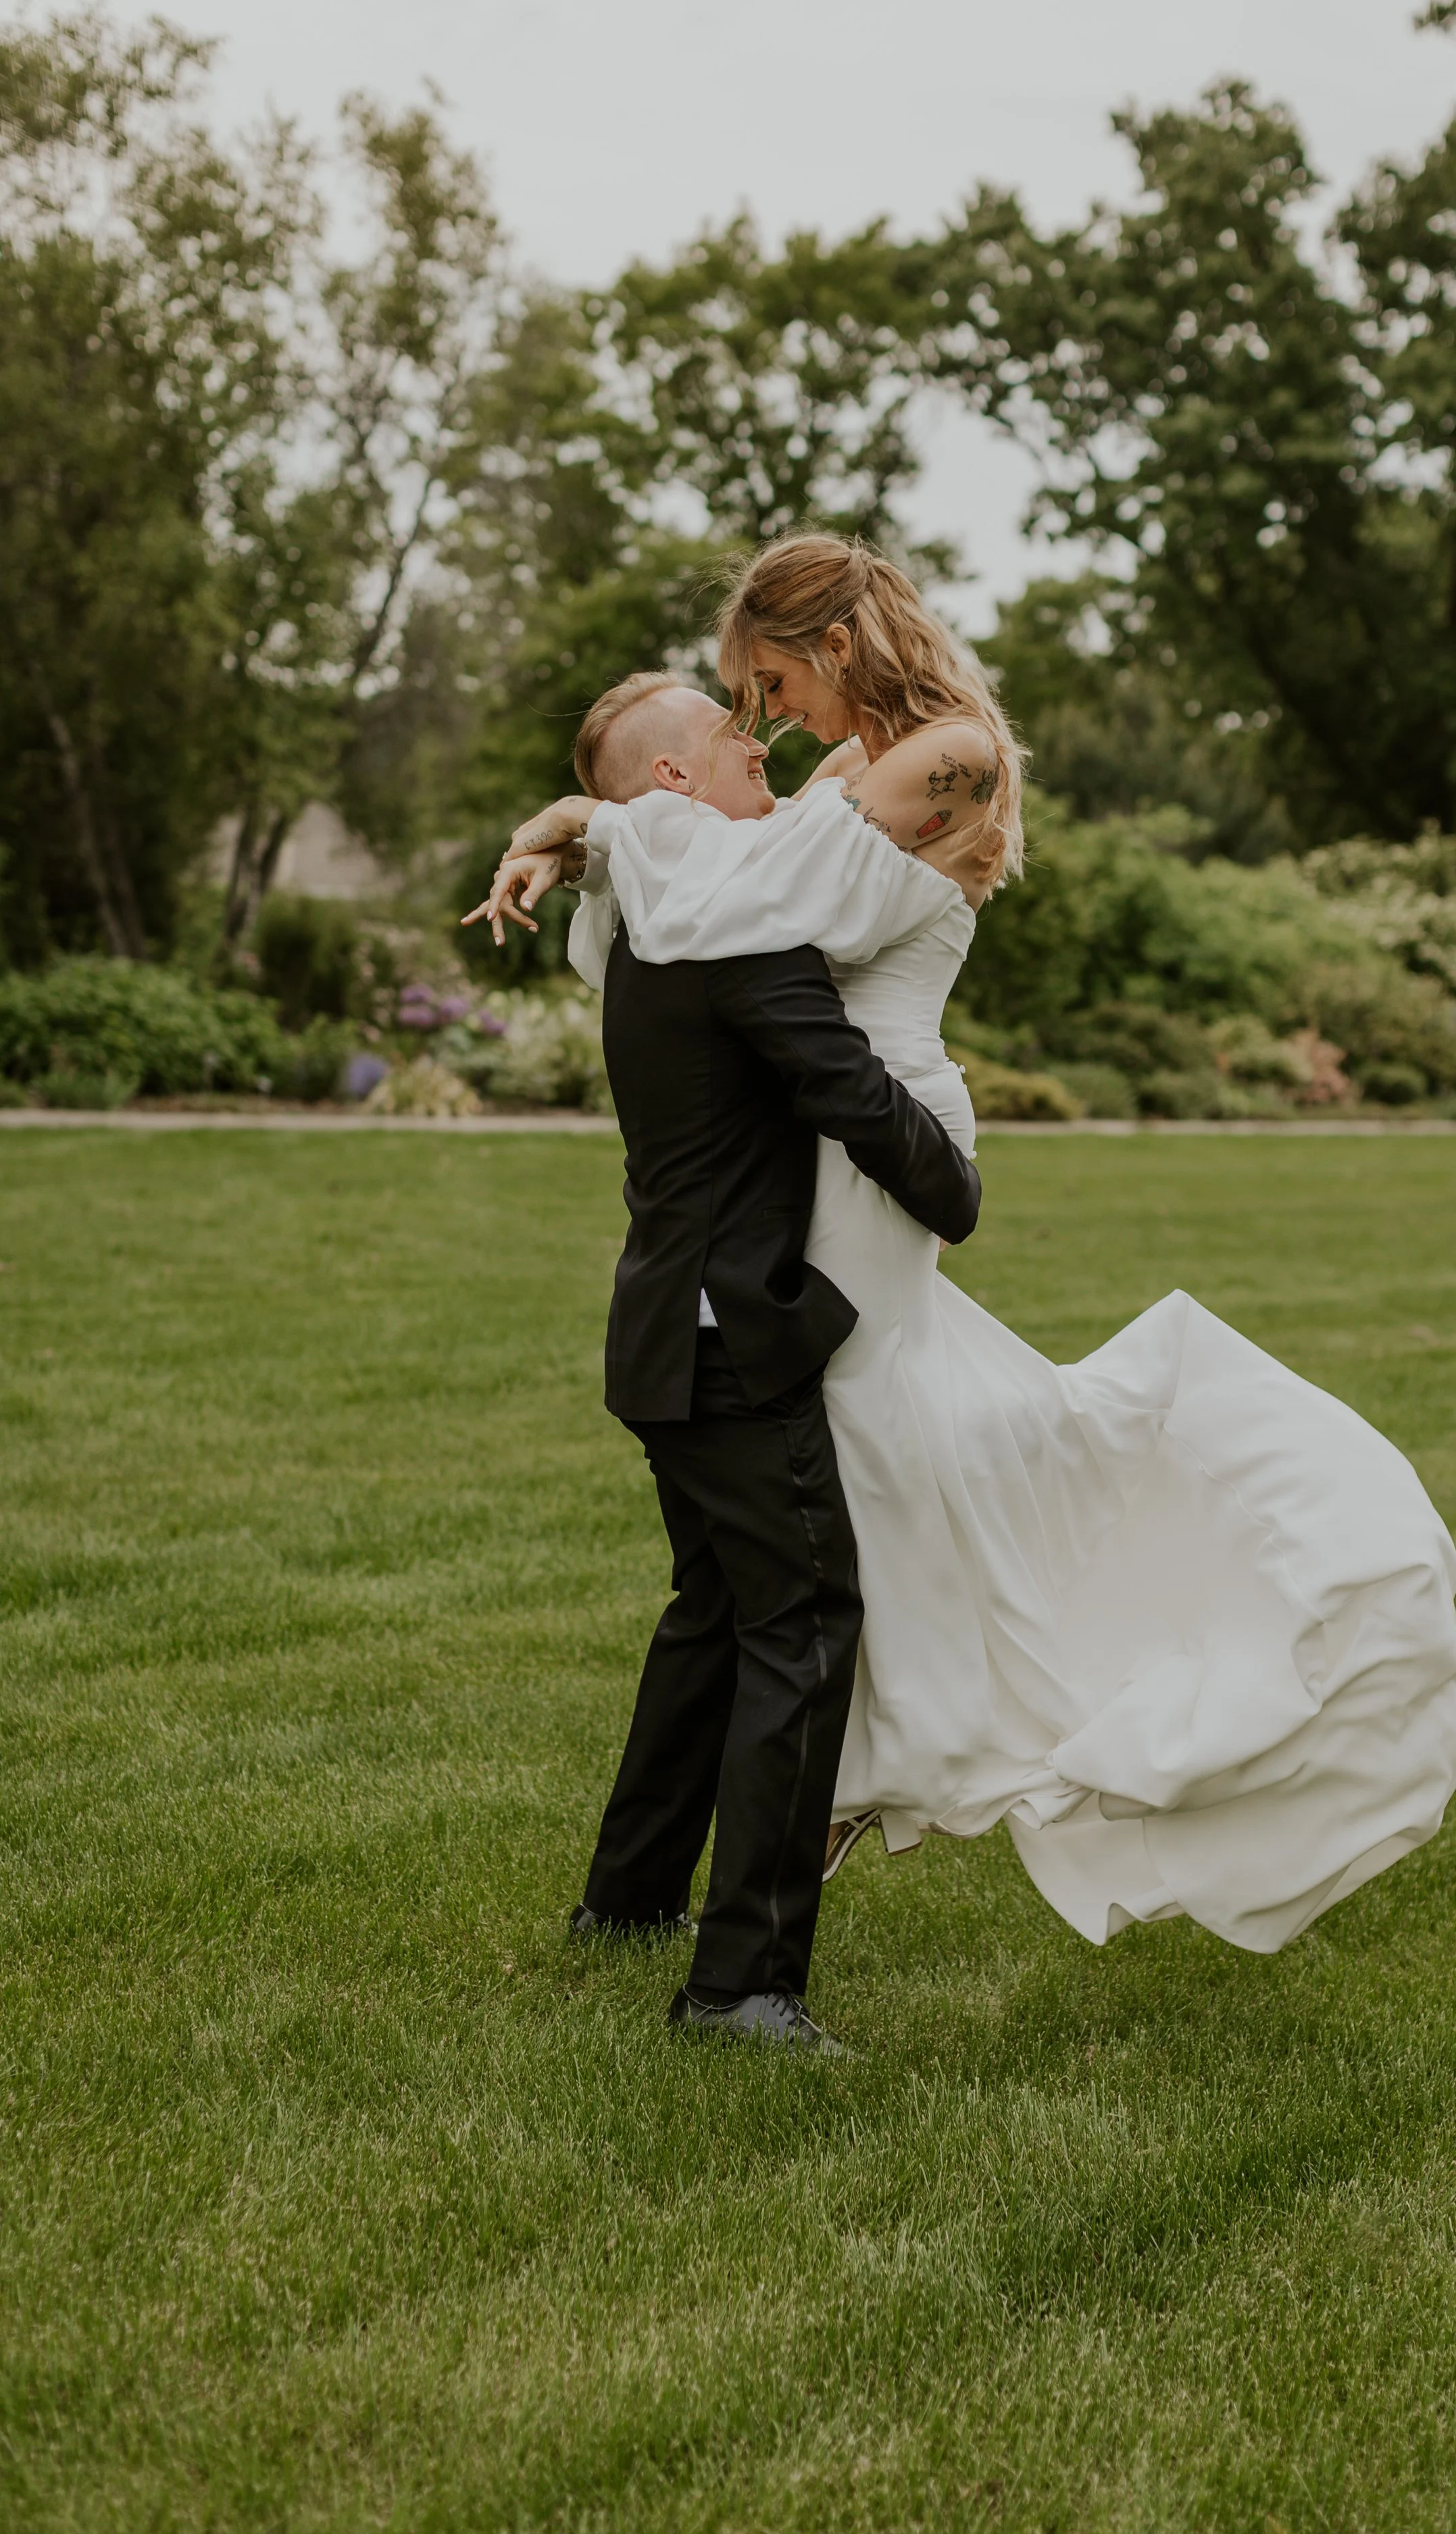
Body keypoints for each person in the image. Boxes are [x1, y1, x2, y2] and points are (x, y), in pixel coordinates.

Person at [480, 532, 1456, 1979]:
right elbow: (724, 871)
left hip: (876, 1132)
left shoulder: (944, 753)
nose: (766, 717)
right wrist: (584, 814)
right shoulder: (839, 775)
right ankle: (805, 1805)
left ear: (830, 640)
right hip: (818, 1138)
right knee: (822, 1505)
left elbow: (749, 903)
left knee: (849, 1474)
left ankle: (842, 1781)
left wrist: (599, 819)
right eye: (740, 703)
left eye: (768, 682)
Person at [468, 664, 993, 2055]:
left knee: (713, 1614)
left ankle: (628, 1900)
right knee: (804, 1624)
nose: (755, 741)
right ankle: (738, 1985)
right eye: (724, 734)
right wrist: (952, 1188)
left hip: (663, 1332)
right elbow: (837, 1080)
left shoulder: (652, 913)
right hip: (729, 1336)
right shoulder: (729, 932)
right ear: (668, 786)